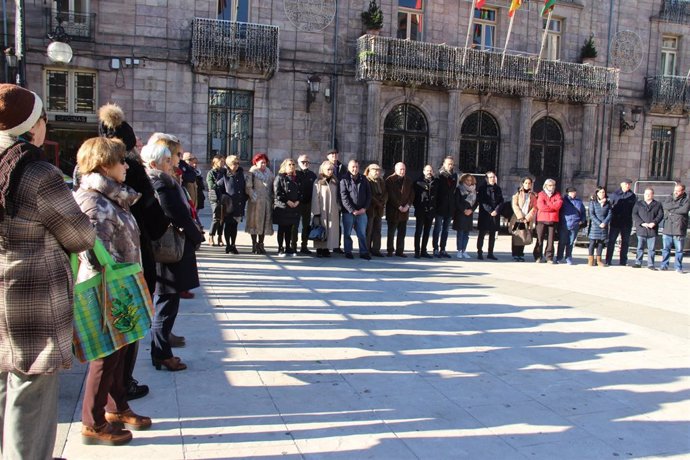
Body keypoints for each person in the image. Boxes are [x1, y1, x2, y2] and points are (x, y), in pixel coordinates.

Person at [0, 84, 95, 458]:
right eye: (42, 118)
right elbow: (80, 234)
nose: (45, 125)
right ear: (29, 126)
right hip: (32, 293)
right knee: (31, 388)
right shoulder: (38, 173)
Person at [74, 137, 152, 445]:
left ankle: (116, 407)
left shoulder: (112, 196)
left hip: (122, 283)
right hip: (107, 287)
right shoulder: (94, 201)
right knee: (106, 355)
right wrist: (116, 280)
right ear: (105, 164)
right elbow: (92, 253)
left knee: (122, 349)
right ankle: (92, 421)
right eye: (121, 161)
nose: (126, 166)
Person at [98, 102, 169, 401]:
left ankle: (116, 387)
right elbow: (154, 221)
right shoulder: (131, 173)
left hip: (107, 266)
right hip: (129, 261)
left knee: (113, 328)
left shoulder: (85, 173)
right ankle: (121, 385)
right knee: (128, 323)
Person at [142, 142, 203, 371]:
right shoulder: (161, 183)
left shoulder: (161, 181)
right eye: (167, 160)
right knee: (166, 303)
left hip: (169, 249)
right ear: (154, 163)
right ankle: (161, 354)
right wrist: (195, 234)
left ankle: (161, 350)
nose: (172, 164)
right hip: (168, 252)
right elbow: (177, 214)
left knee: (168, 301)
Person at [340, 159, 372, 260]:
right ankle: (348, 251)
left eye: (357, 167)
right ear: (349, 168)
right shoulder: (343, 179)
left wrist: (364, 208)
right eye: (353, 167)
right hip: (348, 212)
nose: (355, 169)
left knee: (362, 233)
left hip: (362, 212)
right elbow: (343, 197)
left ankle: (363, 252)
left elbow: (369, 196)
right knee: (347, 233)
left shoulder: (364, 179)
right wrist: (352, 210)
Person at [216, 155, 247, 254]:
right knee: (228, 225)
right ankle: (228, 245)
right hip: (228, 205)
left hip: (238, 204)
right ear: (228, 165)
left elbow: (243, 188)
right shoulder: (224, 174)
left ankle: (233, 244)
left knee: (234, 226)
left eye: (238, 163)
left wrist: (244, 199)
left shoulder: (241, 174)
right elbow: (217, 188)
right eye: (234, 163)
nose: (236, 165)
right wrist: (223, 199)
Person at [245, 153, 275, 254]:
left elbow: (272, 187)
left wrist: (273, 198)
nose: (263, 165)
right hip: (255, 203)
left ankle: (261, 244)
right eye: (261, 162)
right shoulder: (252, 173)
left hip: (267, 202)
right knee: (254, 223)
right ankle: (254, 244)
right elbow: (248, 187)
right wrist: (254, 197)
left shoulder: (269, 173)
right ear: (256, 162)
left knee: (264, 223)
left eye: (265, 163)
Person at [273, 158, 302, 257]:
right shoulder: (280, 177)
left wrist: (298, 201)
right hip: (283, 207)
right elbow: (277, 193)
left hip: (294, 206)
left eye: (293, 164)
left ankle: (288, 247)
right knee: (282, 228)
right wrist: (287, 201)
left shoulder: (297, 178)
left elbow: (301, 191)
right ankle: (280, 248)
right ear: (284, 166)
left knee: (290, 228)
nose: (292, 166)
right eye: (289, 164)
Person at [311, 161, 340, 257]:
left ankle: (327, 248)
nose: (330, 171)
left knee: (330, 229)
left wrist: (338, 207)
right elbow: (315, 197)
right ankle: (319, 249)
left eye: (332, 169)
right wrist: (316, 212)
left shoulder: (335, 181)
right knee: (321, 229)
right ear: (323, 169)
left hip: (333, 210)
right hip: (322, 210)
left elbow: (338, 196)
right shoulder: (318, 181)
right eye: (328, 169)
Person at [385, 162, 415, 257]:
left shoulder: (408, 180)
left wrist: (408, 205)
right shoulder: (389, 180)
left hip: (404, 211)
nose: (402, 171)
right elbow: (390, 195)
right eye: (401, 169)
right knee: (391, 232)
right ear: (396, 170)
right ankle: (390, 250)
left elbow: (412, 194)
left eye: (404, 169)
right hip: (393, 210)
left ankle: (400, 250)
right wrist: (398, 206)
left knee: (402, 233)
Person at [606, 178, 637, 266]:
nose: (628, 186)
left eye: (629, 184)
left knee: (625, 242)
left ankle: (623, 261)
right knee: (611, 241)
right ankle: (608, 260)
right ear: (622, 185)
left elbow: (634, 209)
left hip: (626, 222)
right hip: (615, 222)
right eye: (626, 184)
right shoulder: (614, 195)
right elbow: (609, 207)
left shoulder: (632, 195)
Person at [632, 187, 664, 269]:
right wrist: (642, 223)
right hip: (641, 229)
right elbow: (634, 214)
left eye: (649, 194)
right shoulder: (638, 203)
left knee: (651, 249)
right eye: (646, 194)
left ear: (653, 195)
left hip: (652, 229)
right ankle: (638, 262)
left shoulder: (658, 204)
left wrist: (654, 222)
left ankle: (650, 264)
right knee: (640, 247)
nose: (647, 195)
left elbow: (660, 215)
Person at [660, 183, 689, 272]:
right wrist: (676, 207)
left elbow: (684, 210)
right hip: (668, 227)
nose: (675, 192)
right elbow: (665, 206)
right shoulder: (669, 197)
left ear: (683, 191)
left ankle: (678, 267)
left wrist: (671, 211)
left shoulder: (686, 199)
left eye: (678, 191)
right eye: (675, 190)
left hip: (679, 228)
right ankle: (664, 265)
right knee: (666, 249)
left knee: (679, 250)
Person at [432, 157, 457, 258]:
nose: (450, 166)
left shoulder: (454, 175)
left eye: (452, 164)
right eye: (448, 164)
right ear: (444, 164)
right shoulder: (439, 175)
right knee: (437, 228)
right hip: (440, 206)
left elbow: (453, 191)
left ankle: (443, 248)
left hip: (450, 207)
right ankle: (435, 248)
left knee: (446, 230)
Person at [533, 178, 563, 263]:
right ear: (545, 186)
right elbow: (541, 206)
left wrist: (548, 204)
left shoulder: (557, 195)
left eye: (553, 185)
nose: (552, 187)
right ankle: (538, 256)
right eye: (550, 185)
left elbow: (558, 206)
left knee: (551, 240)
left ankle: (549, 257)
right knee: (539, 239)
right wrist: (552, 206)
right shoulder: (541, 194)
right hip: (541, 219)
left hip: (553, 220)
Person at [476, 171, 504, 260]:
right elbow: (482, 201)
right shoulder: (482, 188)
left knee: (493, 234)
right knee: (482, 234)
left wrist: (496, 210)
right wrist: (490, 211)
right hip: (485, 214)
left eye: (494, 177)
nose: (492, 178)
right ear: (486, 179)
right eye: (490, 177)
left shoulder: (498, 188)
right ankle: (479, 252)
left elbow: (501, 201)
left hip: (495, 214)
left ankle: (490, 253)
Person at [293, 154, 317, 255]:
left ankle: (304, 246)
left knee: (306, 226)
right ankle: (293, 246)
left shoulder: (312, 175)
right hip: (296, 204)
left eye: (307, 162)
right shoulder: (295, 174)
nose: (305, 164)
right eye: (303, 162)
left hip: (308, 203)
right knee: (294, 226)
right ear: (298, 163)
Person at [509, 176, 537, 262]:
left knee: (524, 235)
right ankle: (515, 254)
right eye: (526, 183)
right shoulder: (517, 194)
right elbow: (515, 205)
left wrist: (528, 217)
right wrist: (520, 216)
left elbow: (535, 207)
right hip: (518, 218)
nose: (527, 185)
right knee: (517, 235)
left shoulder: (534, 195)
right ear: (522, 184)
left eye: (529, 183)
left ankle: (521, 254)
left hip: (527, 219)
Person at [413, 164, 438, 259]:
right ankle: (417, 251)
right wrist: (418, 207)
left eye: (431, 170)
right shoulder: (418, 182)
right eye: (427, 170)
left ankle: (424, 250)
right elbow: (414, 197)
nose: (429, 172)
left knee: (427, 232)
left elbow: (438, 197)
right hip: (421, 210)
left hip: (431, 211)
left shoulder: (436, 182)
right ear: (424, 171)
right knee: (418, 231)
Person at [556, 186, 586, 265]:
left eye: (574, 192)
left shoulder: (579, 201)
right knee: (562, 241)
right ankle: (559, 257)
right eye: (572, 192)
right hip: (564, 224)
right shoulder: (563, 201)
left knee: (570, 242)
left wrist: (581, 221)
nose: (573, 193)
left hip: (575, 224)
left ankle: (568, 257)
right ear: (568, 193)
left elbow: (583, 212)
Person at [364, 163, 387, 257]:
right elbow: (368, 194)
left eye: (378, 170)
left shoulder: (381, 181)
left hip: (379, 209)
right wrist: (377, 202)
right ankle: (366, 249)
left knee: (378, 230)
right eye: (375, 170)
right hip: (370, 209)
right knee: (368, 230)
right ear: (369, 171)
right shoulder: (366, 180)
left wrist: (383, 202)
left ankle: (376, 249)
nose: (377, 172)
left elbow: (386, 193)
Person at [453, 173, 477, 259]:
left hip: (469, 214)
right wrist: (464, 210)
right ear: (463, 180)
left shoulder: (474, 190)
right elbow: (457, 201)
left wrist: (471, 210)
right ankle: (459, 250)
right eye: (467, 180)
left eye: (471, 180)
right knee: (460, 233)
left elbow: (476, 203)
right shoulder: (459, 189)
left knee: (466, 234)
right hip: (460, 213)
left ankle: (464, 250)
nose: (469, 182)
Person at [587, 186, 612, 267]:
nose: (602, 194)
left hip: (604, 225)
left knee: (601, 243)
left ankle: (599, 260)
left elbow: (610, 214)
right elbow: (591, 214)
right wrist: (599, 223)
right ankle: (590, 260)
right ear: (597, 193)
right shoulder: (593, 202)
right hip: (595, 225)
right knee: (592, 242)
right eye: (600, 192)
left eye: (603, 192)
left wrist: (604, 222)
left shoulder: (608, 203)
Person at [206, 154, 226, 246]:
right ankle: (211, 236)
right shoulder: (211, 173)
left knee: (222, 218)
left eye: (223, 161)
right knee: (216, 218)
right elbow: (211, 186)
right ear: (215, 162)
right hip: (215, 197)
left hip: (224, 197)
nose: (222, 163)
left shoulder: (224, 171)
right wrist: (220, 182)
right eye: (221, 161)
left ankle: (220, 237)